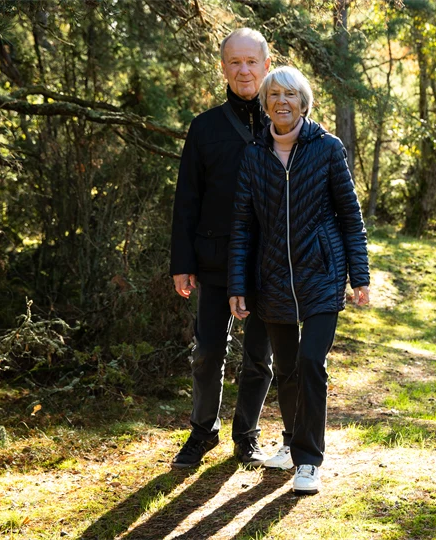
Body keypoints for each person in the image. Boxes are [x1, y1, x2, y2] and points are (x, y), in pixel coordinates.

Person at [227, 66, 370, 495]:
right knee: (286, 369)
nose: (282, 102)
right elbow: (242, 226)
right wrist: (238, 285)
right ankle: (290, 442)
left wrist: (359, 276)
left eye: (291, 95)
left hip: (322, 275)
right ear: (266, 104)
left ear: (304, 103)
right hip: (272, 280)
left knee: (311, 362)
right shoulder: (255, 155)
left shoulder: (328, 148)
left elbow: (351, 216)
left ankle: (309, 460)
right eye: (274, 95)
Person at [169, 28, 274, 469]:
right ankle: (202, 431)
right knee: (208, 349)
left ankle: (246, 435)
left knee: (260, 358)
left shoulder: (283, 123)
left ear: (267, 65)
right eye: (235, 62)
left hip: (268, 262)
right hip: (212, 259)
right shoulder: (205, 127)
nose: (244, 70)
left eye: (252, 62)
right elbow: (187, 198)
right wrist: (182, 262)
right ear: (223, 68)